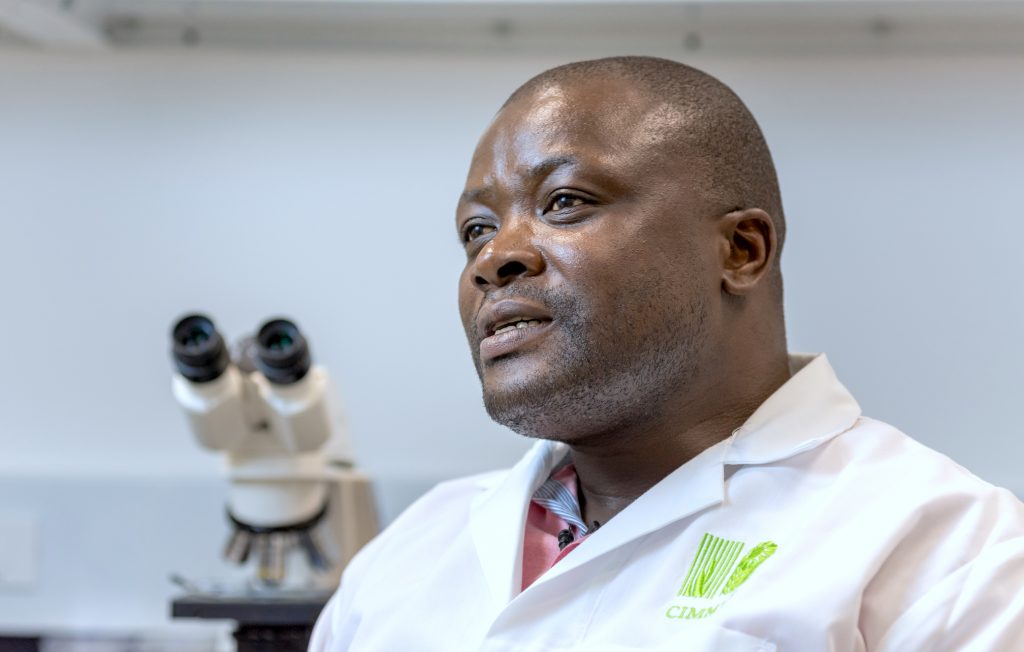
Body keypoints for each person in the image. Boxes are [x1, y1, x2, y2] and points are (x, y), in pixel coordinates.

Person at [309, 56, 1024, 651]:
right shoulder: (410, 553)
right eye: (476, 228)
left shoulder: (952, 552)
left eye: (564, 202)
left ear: (741, 251)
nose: (495, 258)